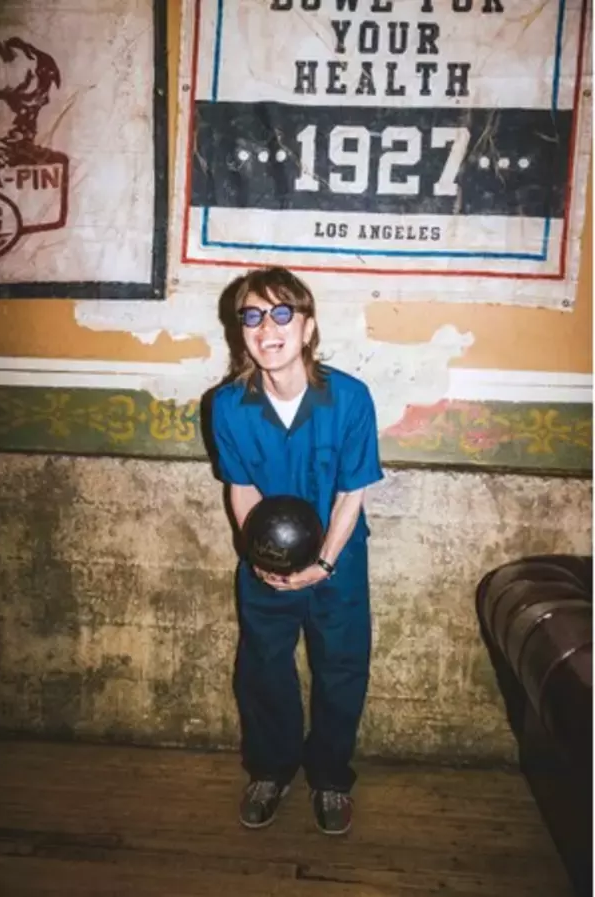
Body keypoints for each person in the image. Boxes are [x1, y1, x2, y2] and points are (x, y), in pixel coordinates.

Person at [211, 266, 383, 836]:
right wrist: (262, 557)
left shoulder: (350, 399)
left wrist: (323, 563)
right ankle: (270, 772)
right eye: (253, 316)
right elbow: (241, 487)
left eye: (283, 313)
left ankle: (330, 778)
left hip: (339, 560)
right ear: (241, 332)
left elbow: (351, 493)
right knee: (262, 669)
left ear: (308, 327)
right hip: (265, 563)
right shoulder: (227, 405)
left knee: (341, 667)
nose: (268, 328)